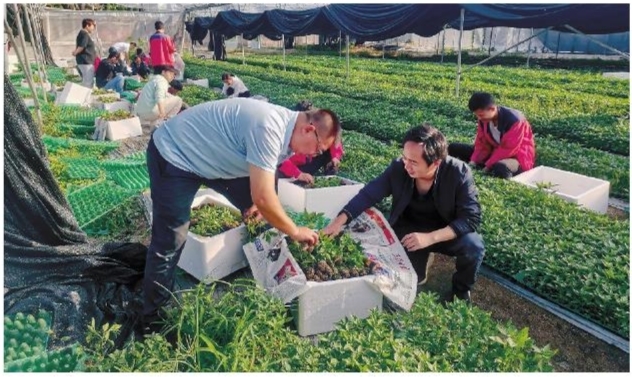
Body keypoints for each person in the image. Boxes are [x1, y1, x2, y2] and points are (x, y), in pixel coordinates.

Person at [142, 98, 341, 334]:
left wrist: (260, 205)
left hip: (214, 154)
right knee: (170, 239)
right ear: (308, 130)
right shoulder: (268, 126)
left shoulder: (289, 134)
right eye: (318, 149)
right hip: (175, 154)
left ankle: (270, 277)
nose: (313, 156)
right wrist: (295, 230)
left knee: (262, 211)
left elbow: (268, 177)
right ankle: (152, 321)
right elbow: (264, 197)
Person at [323, 124, 485, 304]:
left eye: (414, 162)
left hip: (445, 232)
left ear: (436, 162)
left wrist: (430, 238)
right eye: (405, 158)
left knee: (473, 246)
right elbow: (369, 194)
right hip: (409, 231)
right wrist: (340, 221)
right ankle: (421, 261)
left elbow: (471, 218)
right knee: (411, 281)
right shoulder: (399, 168)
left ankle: (461, 291)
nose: (407, 165)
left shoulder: (458, 172)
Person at [448, 92, 536, 179]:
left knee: (501, 168)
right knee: (453, 148)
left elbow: (508, 149)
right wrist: (473, 161)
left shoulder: (515, 120)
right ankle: (485, 165)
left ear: (492, 108)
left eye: (481, 115)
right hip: (493, 152)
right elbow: (481, 143)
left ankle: (497, 173)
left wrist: (487, 167)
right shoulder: (484, 119)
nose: (479, 118)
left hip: (515, 157)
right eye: (477, 115)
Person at [277, 100, 344, 184]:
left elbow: (333, 139)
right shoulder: (290, 137)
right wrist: (299, 174)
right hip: (296, 166)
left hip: (310, 161)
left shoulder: (317, 130)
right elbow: (282, 162)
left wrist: (335, 157)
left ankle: (329, 176)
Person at [134, 65, 182, 130]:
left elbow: (165, 95)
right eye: (171, 73)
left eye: (174, 75)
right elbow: (159, 96)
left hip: (141, 113)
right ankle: (163, 124)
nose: (172, 76)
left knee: (169, 98)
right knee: (178, 100)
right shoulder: (162, 81)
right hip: (150, 112)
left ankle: (155, 123)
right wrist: (162, 112)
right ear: (163, 72)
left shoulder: (154, 79)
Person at [72, 19, 97, 88]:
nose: (94, 28)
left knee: (86, 81)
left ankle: (83, 96)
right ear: (87, 26)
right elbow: (82, 46)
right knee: (88, 82)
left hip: (84, 61)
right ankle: (85, 97)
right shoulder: (85, 34)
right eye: (93, 26)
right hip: (86, 61)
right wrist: (75, 52)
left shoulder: (82, 34)